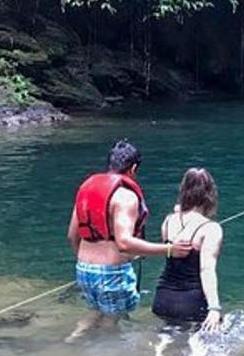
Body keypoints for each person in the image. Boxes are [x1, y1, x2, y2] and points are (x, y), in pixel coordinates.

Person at [66, 140, 192, 342]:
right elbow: (124, 243)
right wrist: (170, 249)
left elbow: (72, 235)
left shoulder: (86, 190)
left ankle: (71, 341)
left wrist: (87, 263)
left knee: (95, 311)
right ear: (133, 169)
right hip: (111, 272)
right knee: (111, 321)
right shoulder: (125, 197)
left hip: (83, 268)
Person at [153, 168, 225, 333]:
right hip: (191, 302)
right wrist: (214, 308)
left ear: (183, 191)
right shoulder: (211, 229)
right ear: (210, 195)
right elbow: (206, 270)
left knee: (168, 336)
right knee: (201, 344)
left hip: (163, 299)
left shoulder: (168, 221)